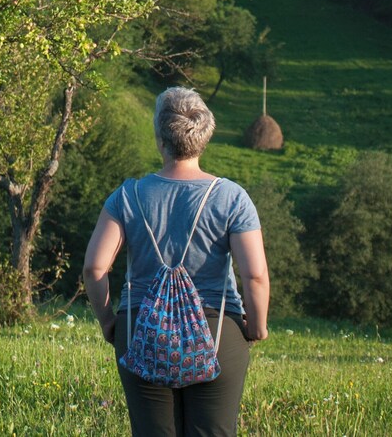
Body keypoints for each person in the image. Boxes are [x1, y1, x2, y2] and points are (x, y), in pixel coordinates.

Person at [83, 87, 270, 437]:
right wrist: (257, 326)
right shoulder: (231, 197)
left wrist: (109, 321)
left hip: (140, 329)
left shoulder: (127, 196)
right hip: (217, 331)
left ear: (160, 138)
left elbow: (94, 268)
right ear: (204, 137)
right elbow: (255, 275)